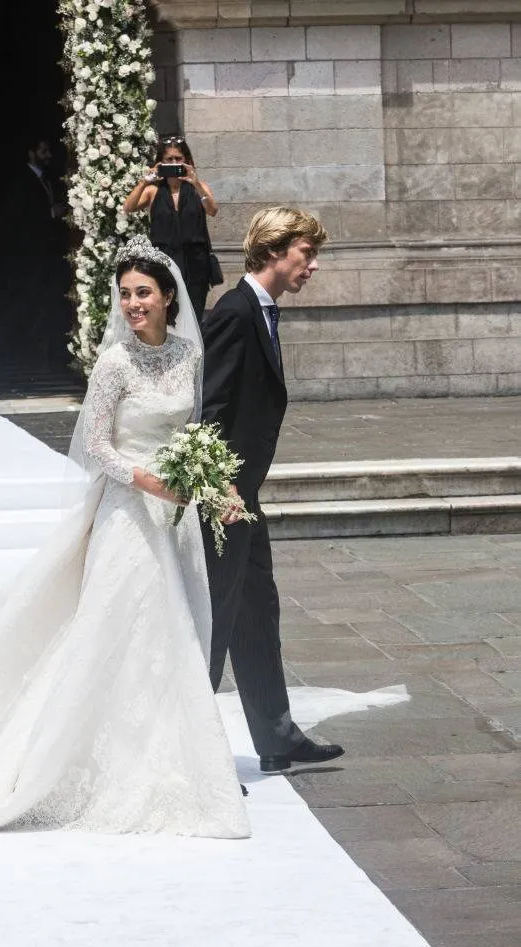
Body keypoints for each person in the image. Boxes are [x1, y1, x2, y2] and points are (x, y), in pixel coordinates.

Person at [0, 236, 250, 840]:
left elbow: (193, 433)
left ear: (168, 296)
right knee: (118, 626)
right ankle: (64, 760)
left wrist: (213, 484)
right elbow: (94, 445)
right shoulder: (113, 363)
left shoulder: (190, 353)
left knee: (174, 629)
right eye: (125, 295)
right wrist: (145, 480)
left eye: (143, 293)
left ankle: (170, 757)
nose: (133, 304)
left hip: (175, 514)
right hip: (128, 511)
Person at [201, 207, 345, 774]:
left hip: (245, 497)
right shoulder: (235, 313)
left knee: (257, 612)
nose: (312, 265)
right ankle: (194, 753)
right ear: (273, 250)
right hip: (226, 500)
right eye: (305, 254)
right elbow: (208, 407)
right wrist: (219, 489)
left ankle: (277, 735)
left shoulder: (263, 312)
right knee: (216, 618)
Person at [123, 136, 216, 322]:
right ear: (161, 162)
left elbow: (212, 210)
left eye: (178, 159)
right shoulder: (154, 191)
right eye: (169, 160)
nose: (174, 163)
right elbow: (128, 207)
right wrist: (145, 180)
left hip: (195, 264)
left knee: (194, 315)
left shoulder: (199, 188)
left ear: (186, 160)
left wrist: (195, 182)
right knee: (167, 315)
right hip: (164, 262)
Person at [1, 137, 69, 366]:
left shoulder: (47, 179)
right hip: (28, 254)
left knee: (47, 299)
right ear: (31, 153)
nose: (48, 155)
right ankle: (16, 346)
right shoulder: (20, 181)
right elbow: (16, 216)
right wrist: (50, 213)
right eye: (43, 151)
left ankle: (46, 347)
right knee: (26, 299)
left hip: (48, 251)